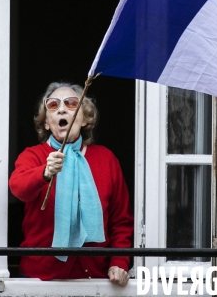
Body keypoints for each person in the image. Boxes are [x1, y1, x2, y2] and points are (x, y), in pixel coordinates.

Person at [9, 82, 133, 286]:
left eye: (72, 103)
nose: (62, 109)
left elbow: (121, 221)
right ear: (46, 123)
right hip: (40, 279)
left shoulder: (106, 158)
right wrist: (45, 172)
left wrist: (119, 262)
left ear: (84, 119)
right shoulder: (33, 156)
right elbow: (18, 188)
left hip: (96, 279)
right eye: (53, 105)